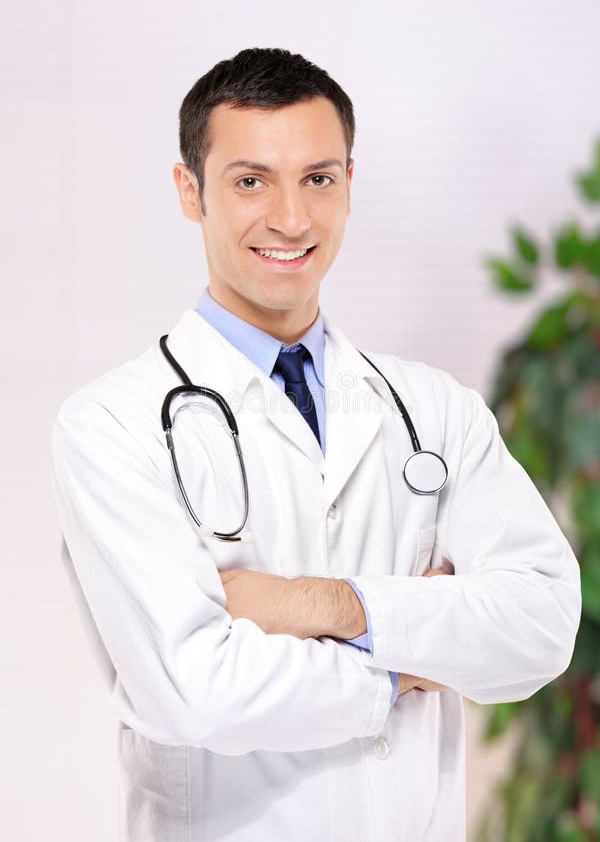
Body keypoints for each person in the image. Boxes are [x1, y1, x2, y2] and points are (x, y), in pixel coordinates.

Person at [51, 47, 581, 842]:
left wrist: (316, 604)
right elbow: (194, 689)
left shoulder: (435, 409)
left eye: (318, 178)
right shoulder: (113, 425)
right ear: (189, 192)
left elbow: (541, 623)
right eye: (250, 181)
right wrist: (418, 653)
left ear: (349, 187)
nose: (291, 219)